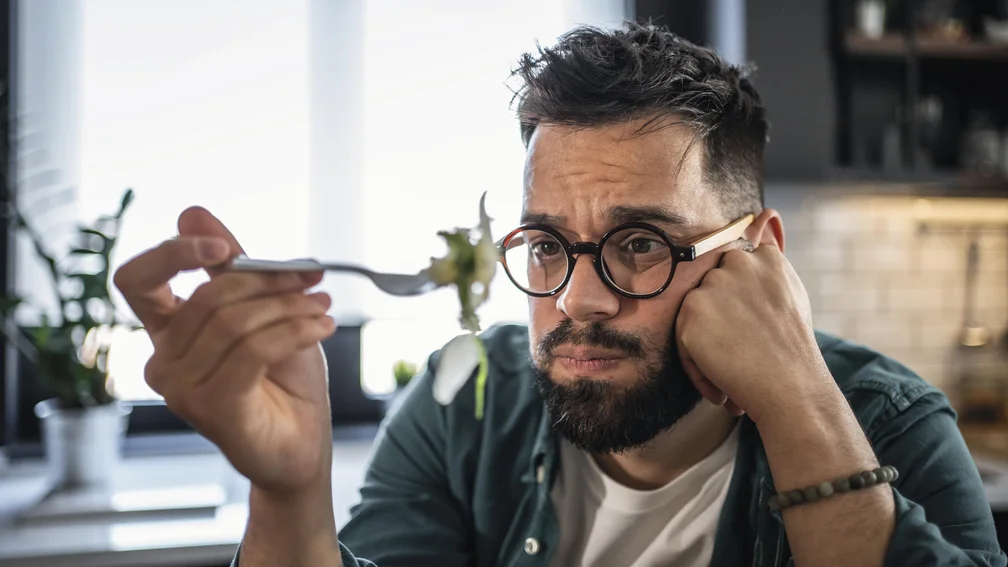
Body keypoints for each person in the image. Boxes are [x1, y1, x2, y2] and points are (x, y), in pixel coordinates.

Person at [113, 22, 1006, 567]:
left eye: (641, 242)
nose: (578, 299)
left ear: (759, 255)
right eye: (546, 246)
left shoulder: (888, 423)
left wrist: (801, 402)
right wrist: (288, 494)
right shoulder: (463, 408)